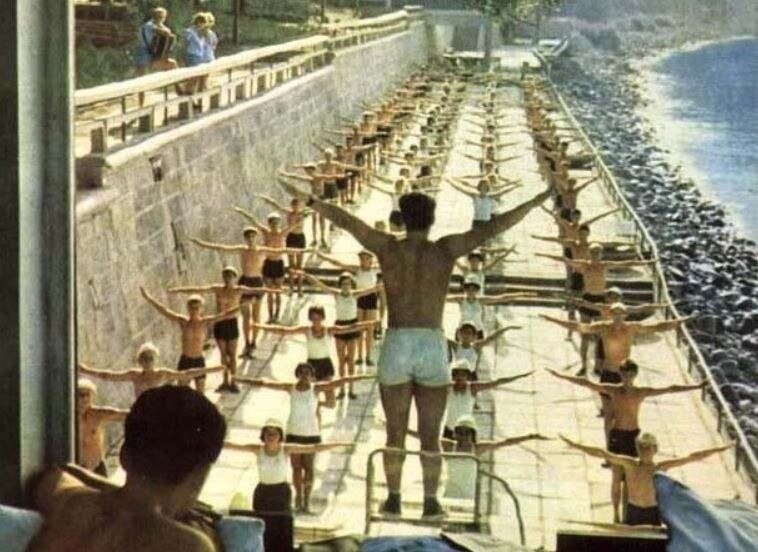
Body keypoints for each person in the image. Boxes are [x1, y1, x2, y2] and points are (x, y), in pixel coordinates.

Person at [276, 180, 551, 519]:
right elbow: (494, 226)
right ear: (431, 220)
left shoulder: (387, 247)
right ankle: (431, 502)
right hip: (431, 340)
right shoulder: (445, 249)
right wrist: (535, 200)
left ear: (403, 219)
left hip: (398, 339)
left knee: (395, 433)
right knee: (431, 437)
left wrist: (311, 200)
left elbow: (346, 220)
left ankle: (393, 498)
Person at [29, 385, 227, 552]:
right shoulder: (189, 545)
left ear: (124, 456)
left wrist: (126, 494)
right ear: (196, 478)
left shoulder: (74, 507)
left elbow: (58, 473)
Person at [547, 362, 705, 522]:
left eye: (630, 375)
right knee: (616, 477)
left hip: (633, 437)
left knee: (630, 479)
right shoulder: (614, 390)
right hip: (617, 436)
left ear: (635, 375)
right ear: (620, 374)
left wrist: (696, 386)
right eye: (624, 374)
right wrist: (560, 376)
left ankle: (627, 514)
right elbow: (587, 383)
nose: (627, 378)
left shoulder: (640, 392)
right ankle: (616, 514)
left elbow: (670, 389)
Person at [541, 305, 691, 442]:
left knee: (625, 414)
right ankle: (609, 447)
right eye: (615, 314)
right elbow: (581, 327)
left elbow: (657, 327)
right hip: (608, 374)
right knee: (609, 417)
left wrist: (681, 321)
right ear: (611, 315)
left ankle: (625, 444)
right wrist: (554, 320)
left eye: (620, 314)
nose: (618, 317)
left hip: (625, 376)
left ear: (625, 315)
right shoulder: (604, 327)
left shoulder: (631, 327)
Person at [237, 363, 373, 512]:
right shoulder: (291, 388)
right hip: (293, 433)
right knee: (296, 468)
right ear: (298, 374)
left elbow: (339, 382)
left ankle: (307, 499)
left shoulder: (316, 389)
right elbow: (265, 383)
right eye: (302, 372)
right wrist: (241, 380)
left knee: (308, 468)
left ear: (311, 375)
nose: (305, 376)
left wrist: (360, 377)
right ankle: (298, 496)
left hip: (311, 434)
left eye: (307, 373)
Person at [224, 419, 353, 551]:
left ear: (280, 436)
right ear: (263, 435)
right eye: (268, 433)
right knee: (262, 526)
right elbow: (234, 446)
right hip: (263, 493)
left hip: (281, 493)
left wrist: (339, 444)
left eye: (274, 434)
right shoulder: (258, 449)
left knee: (282, 525)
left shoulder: (285, 449)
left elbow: (313, 448)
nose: (271, 437)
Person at [560, 434, 730, 526]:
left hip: (652, 511)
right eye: (641, 447)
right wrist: (575, 445)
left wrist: (720, 449)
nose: (644, 450)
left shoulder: (660, 467)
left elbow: (691, 457)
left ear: (655, 449)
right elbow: (602, 453)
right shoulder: (629, 464)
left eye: (648, 447)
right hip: (633, 510)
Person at [190, 227, 302, 357]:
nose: (250, 239)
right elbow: (223, 248)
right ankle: (247, 343)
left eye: (253, 237)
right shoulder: (242, 250)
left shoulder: (262, 250)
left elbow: (280, 250)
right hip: (245, 282)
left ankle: (254, 342)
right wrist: (202, 244)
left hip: (257, 283)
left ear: (256, 238)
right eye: (248, 237)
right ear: (245, 239)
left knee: (256, 315)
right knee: (245, 317)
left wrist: (304, 250)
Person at [167, 266, 268, 393]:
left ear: (234, 278)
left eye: (230, 276)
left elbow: (258, 289)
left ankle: (233, 381)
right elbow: (199, 289)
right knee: (223, 355)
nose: (227, 278)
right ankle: (225, 381)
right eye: (225, 276)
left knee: (232, 354)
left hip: (231, 323)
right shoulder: (218, 289)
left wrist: (274, 290)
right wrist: (178, 290)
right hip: (220, 324)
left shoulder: (239, 290)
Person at [251, 305, 377, 404]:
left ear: (323, 318)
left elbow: (350, 327)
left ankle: (318, 405)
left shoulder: (329, 330)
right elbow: (284, 331)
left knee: (331, 402)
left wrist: (369, 323)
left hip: (326, 365)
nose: (316, 321)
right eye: (313, 318)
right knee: (311, 397)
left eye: (318, 318)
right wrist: (260, 326)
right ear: (310, 319)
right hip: (310, 367)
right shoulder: (307, 330)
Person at [407, 415, 549, 500]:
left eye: (466, 433)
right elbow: (425, 437)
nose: (463, 436)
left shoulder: (477, 449)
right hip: (450, 493)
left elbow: (505, 442)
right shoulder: (449, 446)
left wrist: (530, 436)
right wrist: (403, 429)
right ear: (455, 433)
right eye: (460, 432)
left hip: (469, 495)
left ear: (472, 434)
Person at [294, 270, 382, 399]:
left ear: (351, 284)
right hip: (339, 327)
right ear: (340, 285)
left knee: (351, 361)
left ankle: (351, 389)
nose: (346, 286)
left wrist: (383, 284)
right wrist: (306, 276)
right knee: (341, 361)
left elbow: (372, 289)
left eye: (348, 284)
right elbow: (320, 285)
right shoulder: (337, 294)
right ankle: (341, 390)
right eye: (344, 284)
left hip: (352, 327)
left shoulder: (355, 294)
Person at [140, 287, 240, 393]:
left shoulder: (204, 322)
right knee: (182, 393)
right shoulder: (183, 322)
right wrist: (148, 298)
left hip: (199, 360)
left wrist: (241, 306)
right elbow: (165, 311)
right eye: (192, 308)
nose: (194, 310)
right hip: (185, 360)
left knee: (200, 395)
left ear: (201, 309)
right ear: (188, 309)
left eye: (197, 308)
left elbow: (225, 314)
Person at [78, 342, 223, 399]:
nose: (148, 361)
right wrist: (86, 370)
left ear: (155, 360)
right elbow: (108, 376)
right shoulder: (134, 375)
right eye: (145, 358)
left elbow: (186, 374)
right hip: (142, 411)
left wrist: (212, 369)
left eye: (150, 358)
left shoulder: (162, 373)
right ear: (140, 361)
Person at [233, 207, 301, 323]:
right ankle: (270, 316)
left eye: (276, 222)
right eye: (272, 222)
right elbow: (254, 221)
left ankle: (277, 315)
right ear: (269, 223)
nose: (274, 224)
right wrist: (242, 212)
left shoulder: (282, 233)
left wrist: (305, 213)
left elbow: (294, 225)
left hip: (278, 263)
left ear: (279, 223)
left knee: (278, 292)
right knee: (269, 292)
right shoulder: (266, 232)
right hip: (268, 263)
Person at [315, 249, 381, 366]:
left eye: (365, 258)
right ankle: (359, 356)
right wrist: (324, 257)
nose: (362, 261)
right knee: (359, 328)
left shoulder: (376, 269)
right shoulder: (357, 269)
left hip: (371, 297)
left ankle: (368, 356)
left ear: (370, 260)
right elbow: (340, 264)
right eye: (361, 258)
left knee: (370, 329)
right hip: (359, 297)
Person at [442, 360, 533, 443]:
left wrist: (520, 376)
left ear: (467, 376)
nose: (459, 377)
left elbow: (496, 382)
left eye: (462, 375)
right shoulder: (448, 388)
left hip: (466, 431)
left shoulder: (472, 388)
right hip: (448, 428)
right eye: (457, 374)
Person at [255, 194, 311, 294]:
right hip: (291, 237)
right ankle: (291, 288)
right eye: (294, 204)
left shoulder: (303, 213)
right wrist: (267, 199)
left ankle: (299, 288)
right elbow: (278, 206)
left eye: (297, 204)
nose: (295, 206)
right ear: (291, 205)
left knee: (299, 265)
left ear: (300, 205)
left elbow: (313, 210)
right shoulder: (289, 213)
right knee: (291, 265)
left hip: (300, 238)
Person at [447, 275, 534, 339]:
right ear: (465, 289)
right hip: (462, 330)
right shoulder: (460, 300)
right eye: (468, 289)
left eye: (473, 289)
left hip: (477, 331)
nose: (471, 291)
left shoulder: (480, 300)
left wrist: (522, 294)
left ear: (477, 290)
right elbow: (444, 298)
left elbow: (501, 298)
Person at [76, 379, 129, 477]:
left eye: (88, 395)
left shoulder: (96, 414)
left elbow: (119, 414)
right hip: (77, 468)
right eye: (81, 395)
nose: (85, 398)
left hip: (97, 465)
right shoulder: (68, 418)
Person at [135, 7, 178, 77]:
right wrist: (164, 29)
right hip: (145, 55)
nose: (161, 19)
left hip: (155, 56)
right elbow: (163, 31)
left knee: (172, 64)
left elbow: (168, 32)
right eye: (159, 17)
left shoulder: (159, 25)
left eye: (162, 17)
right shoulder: (149, 25)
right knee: (143, 76)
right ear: (154, 16)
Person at [181, 13, 208, 95]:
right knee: (193, 77)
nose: (203, 24)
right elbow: (185, 44)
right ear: (197, 21)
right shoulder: (189, 31)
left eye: (204, 23)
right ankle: (187, 93)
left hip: (199, 56)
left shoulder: (201, 32)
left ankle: (193, 95)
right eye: (202, 22)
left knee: (197, 77)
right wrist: (183, 56)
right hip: (191, 55)